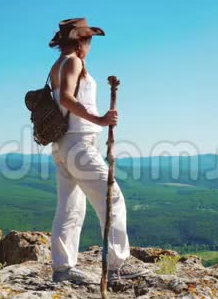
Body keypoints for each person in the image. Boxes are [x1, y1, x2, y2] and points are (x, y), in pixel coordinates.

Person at [47, 18, 149, 283]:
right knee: (113, 199)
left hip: (62, 145)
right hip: (79, 143)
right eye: (89, 39)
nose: (90, 45)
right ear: (80, 40)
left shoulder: (56, 65)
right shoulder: (73, 61)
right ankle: (116, 267)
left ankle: (63, 269)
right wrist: (101, 120)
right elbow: (68, 98)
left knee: (69, 207)